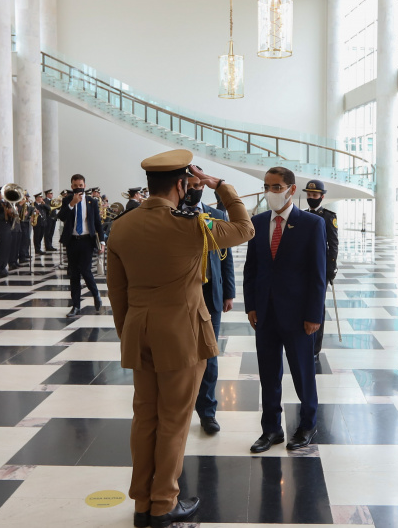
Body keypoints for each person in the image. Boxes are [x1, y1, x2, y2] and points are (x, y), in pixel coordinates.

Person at [107, 149, 254, 527]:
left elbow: (117, 292)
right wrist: (221, 185)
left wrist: (129, 334)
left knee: (145, 417)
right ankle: (164, 503)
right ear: (181, 183)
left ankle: (142, 501)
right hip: (182, 335)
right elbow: (244, 227)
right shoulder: (194, 226)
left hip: (139, 332)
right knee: (173, 420)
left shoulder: (121, 226)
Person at [244, 167, 327, 454]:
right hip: (265, 313)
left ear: (292, 190)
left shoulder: (312, 224)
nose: (271, 192)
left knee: (303, 372)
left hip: (299, 315)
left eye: (277, 187)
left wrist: (314, 315)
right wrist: (251, 306)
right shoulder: (258, 222)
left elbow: (318, 273)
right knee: (268, 374)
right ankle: (271, 429)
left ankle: (307, 424)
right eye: (267, 186)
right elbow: (251, 269)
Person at [180, 170, 236, 436]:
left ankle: (208, 412)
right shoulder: (171, 214)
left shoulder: (217, 216)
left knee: (209, 354)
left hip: (210, 292)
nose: (193, 190)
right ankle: (180, 410)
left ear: (203, 186)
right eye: (189, 186)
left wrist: (229, 292)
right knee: (181, 355)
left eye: (197, 185)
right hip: (180, 295)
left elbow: (226, 258)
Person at [58, 174, 104, 318]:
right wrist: (72, 204)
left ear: (84, 185)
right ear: (72, 186)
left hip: (86, 241)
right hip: (72, 240)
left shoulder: (91, 201)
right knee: (74, 274)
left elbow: (97, 223)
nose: (78, 188)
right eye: (75, 185)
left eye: (81, 185)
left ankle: (95, 294)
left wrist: (102, 242)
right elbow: (61, 217)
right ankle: (76, 306)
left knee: (85, 270)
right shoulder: (67, 200)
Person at [302, 179, 339, 359]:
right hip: (301, 269)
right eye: (309, 195)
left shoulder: (328, 216)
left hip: (320, 270)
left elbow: (333, 245)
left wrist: (330, 269)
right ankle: (304, 340)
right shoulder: (301, 215)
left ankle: (315, 348)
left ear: (322, 197)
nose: (311, 198)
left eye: (315, 195)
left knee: (317, 307)